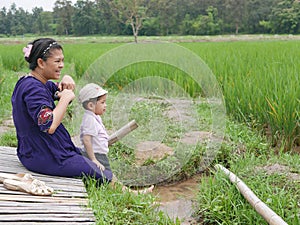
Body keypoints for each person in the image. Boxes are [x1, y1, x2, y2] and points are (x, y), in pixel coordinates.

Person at [11, 38, 112, 185]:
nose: (62, 65)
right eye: (57, 61)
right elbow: (48, 125)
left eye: (62, 61)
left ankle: (118, 185)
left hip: (36, 151)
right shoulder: (33, 89)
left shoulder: (33, 82)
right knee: (94, 168)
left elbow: (62, 90)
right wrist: (64, 99)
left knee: (88, 157)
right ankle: (129, 193)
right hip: (42, 155)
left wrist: (67, 78)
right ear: (40, 63)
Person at [79, 83, 154, 194]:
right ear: (91, 105)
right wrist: (93, 159)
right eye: (102, 102)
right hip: (97, 155)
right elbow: (86, 139)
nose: (106, 105)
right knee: (109, 177)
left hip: (99, 154)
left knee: (107, 177)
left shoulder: (94, 117)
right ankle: (131, 194)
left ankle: (125, 192)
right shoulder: (89, 120)